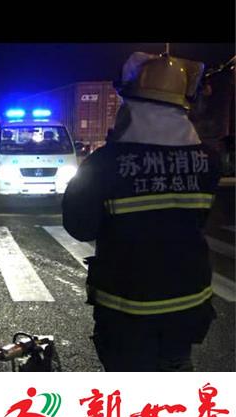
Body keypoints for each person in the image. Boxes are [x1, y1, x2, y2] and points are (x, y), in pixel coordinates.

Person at [62, 52, 221, 372]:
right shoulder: (209, 160)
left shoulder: (105, 163)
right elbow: (198, 219)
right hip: (189, 303)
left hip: (128, 309)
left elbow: (80, 226)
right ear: (182, 107)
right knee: (175, 380)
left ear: (132, 106)